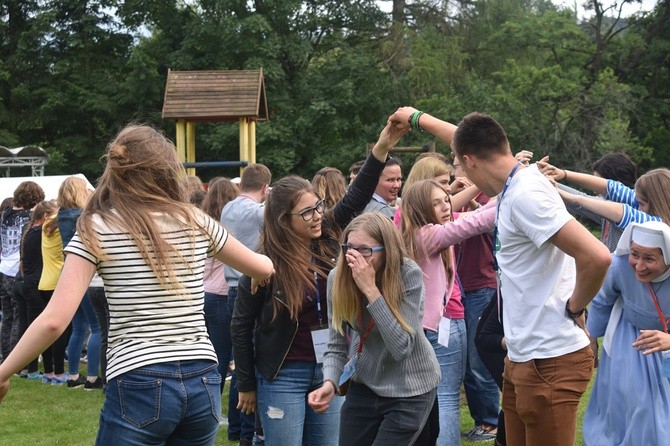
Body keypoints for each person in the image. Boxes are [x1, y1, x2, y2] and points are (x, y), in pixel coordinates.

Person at [0, 124, 274, 446]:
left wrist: (4, 371)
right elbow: (264, 266)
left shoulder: (97, 227)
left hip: (139, 376)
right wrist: (256, 275)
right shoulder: (195, 220)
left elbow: (54, 321)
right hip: (203, 378)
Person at [390, 108, 611, 446]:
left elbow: (596, 256)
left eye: (459, 165)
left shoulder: (526, 196)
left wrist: (575, 306)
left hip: (549, 358)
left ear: (470, 161)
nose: (458, 176)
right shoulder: (513, 184)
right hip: (523, 357)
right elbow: (465, 138)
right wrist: (417, 117)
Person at [232, 119, 407, 446]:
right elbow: (241, 325)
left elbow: (356, 196)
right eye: (307, 213)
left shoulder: (328, 239)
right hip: (283, 374)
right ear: (284, 220)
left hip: (330, 368)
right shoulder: (264, 265)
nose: (317, 216)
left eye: (318, 207)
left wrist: (382, 146)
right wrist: (246, 385)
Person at [309, 212, 440, 445]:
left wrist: (371, 290)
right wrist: (329, 381)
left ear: (387, 250)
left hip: (410, 386)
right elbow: (336, 344)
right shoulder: (337, 278)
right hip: (366, 383)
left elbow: (402, 347)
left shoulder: (408, 274)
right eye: (349, 248)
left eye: (365, 251)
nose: (354, 258)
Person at [400, 179, 495, 446]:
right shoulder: (427, 235)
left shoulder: (415, 232)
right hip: (438, 327)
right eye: (437, 203)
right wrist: (518, 193)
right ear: (421, 207)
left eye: (446, 199)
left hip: (425, 327)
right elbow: (476, 223)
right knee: (446, 398)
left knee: (431, 400)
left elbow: (475, 214)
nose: (446, 206)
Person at [583, 221, 670, 445]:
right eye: (635, 254)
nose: (639, 266)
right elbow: (602, 300)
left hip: (665, 343)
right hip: (630, 339)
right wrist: (591, 337)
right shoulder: (620, 264)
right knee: (633, 401)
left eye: (649, 258)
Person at [222, 163, 272, 445]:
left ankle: (237, 428)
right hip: (253, 286)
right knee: (250, 359)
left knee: (238, 358)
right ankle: (248, 430)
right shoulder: (259, 212)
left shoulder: (227, 208)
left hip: (230, 287)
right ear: (265, 188)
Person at [537, 153, 639, 251]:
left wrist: (558, 177)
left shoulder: (629, 216)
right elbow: (579, 201)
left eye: (596, 185)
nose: (594, 190)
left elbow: (579, 200)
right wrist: (544, 181)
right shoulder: (608, 213)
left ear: (617, 186)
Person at [55, 177, 102, 389]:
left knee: (78, 326)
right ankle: (92, 377)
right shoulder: (82, 218)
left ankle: (73, 376)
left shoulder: (62, 216)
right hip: (86, 276)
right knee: (97, 327)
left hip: (68, 274)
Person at [1, 181, 44, 364]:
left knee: (8, 317)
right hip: (16, 270)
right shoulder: (30, 217)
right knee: (19, 316)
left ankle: (4, 357)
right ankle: (13, 360)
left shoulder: (5, 214)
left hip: (2, 268)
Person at [201, 178, 238, 395]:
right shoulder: (228, 228)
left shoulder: (203, 223)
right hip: (222, 294)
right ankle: (212, 402)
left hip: (204, 293)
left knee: (212, 354)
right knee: (222, 355)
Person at [14, 200, 57, 380]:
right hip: (33, 284)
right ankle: (32, 370)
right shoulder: (42, 232)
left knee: (25, 327)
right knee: (37, 331)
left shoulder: (29, 230)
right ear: (46, 216)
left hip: (21, 281)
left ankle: (24, 368)